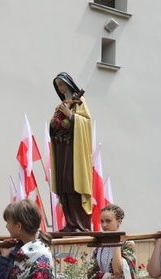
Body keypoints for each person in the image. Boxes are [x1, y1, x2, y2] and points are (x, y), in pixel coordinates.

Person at [49, 72, 93, 232]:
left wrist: (71, 116)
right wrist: (55, 123)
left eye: (62, 84)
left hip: (75, 152)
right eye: (58, 85)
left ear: (68, 84)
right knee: (64, 185)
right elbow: (54, 127)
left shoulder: (80, 102)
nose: (60, 88)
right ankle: (69, 222)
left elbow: (86, 123)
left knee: (74, 184)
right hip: (62, 150)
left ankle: (79, 224)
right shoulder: (59, 106)